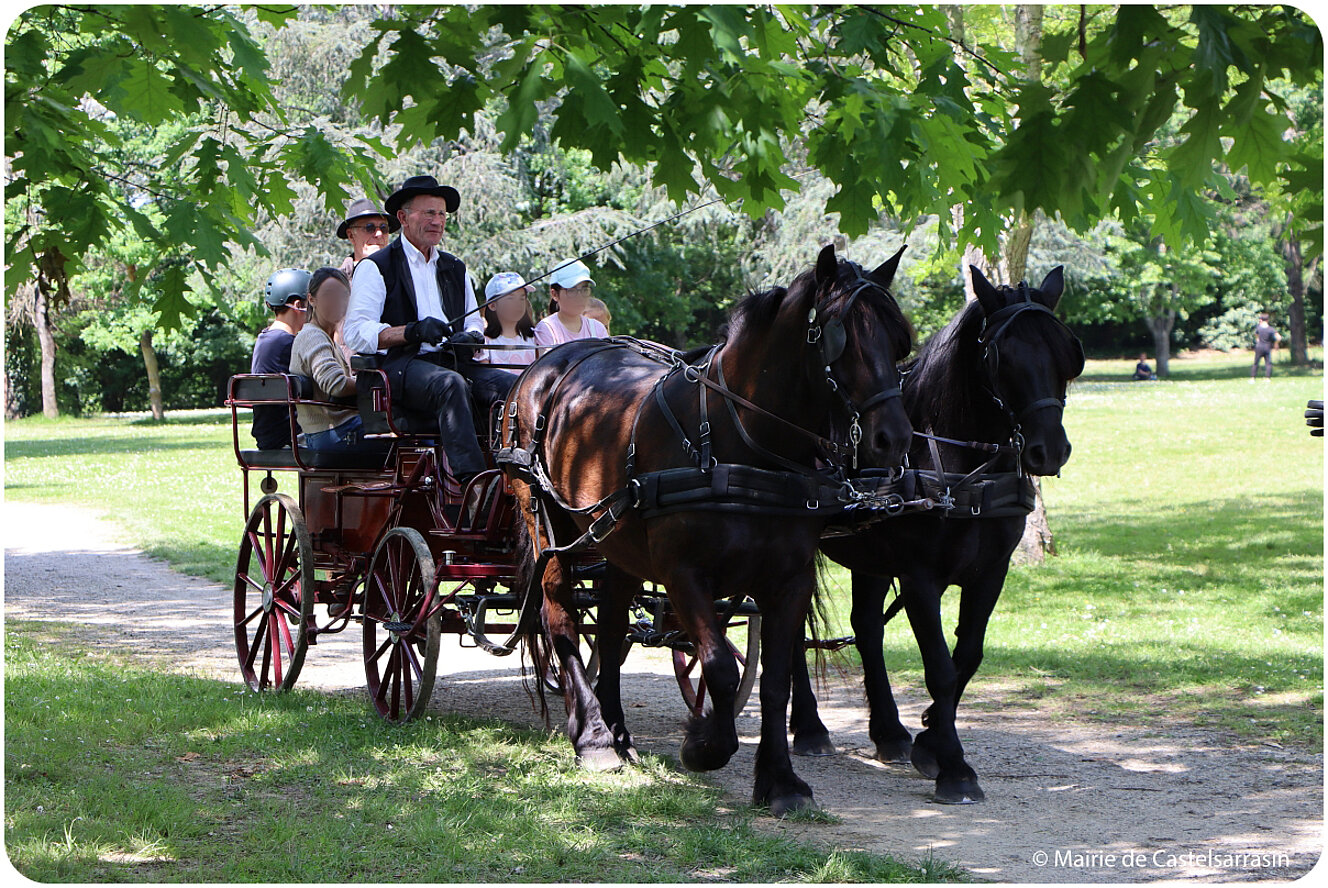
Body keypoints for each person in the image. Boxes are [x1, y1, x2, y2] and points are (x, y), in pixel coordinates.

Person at [343, 175, 516, 485]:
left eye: (441, 214)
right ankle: (474, 483)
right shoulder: (377, 266)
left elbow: (474, 321)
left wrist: (470, 337)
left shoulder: (455, 267)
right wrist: (411, 332)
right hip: (400, 367)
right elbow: (356, 332)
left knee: (514, 387)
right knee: (449, 385)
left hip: (452, 361)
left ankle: (516, 472)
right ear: (403, 217)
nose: (437, 221)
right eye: (428, 213)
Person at [289, 267, 371, 450]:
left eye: (343, 296)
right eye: (329, 295)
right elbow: (336, 384)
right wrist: (375, 383)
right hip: (332, 433)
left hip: (340, 429)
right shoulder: (312, 336)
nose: (337, 302)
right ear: (311, 299)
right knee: (406, 439)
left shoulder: (327, 338)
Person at [250, 268, 310, 449]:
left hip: (268, 436)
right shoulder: (288, 343)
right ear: (298, 305)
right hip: (292, 437)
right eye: (313, 303)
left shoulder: (266, 338)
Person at [533, 259, 609, 354]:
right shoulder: (547, 328)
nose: (579, 296)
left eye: (584, 290)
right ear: (555, 294)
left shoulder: (597, 329)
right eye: (572, 291)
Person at [480, 272, 538, 369]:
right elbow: (484, 376)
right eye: (510, 299)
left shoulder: (535, 338)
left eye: (522, 299)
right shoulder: (484, 343)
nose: (517, 304)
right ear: (492, 305)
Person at [336, 197, 395, 278]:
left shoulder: (404, 273)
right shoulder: (337, 281)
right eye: (369, 227)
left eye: (384, 227)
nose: (379, 234)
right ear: (351, 236)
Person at [1251, 312, 1281, 380]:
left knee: (1256, 363)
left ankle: (1252, 378)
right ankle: (1267, 378)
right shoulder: (1271, 329)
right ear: (1268, 320)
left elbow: (1256, 336)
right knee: (1268, 363)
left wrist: (1258, 341)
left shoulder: (1258, 328)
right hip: (1267, 347)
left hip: (1259, 347)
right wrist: (1276, 343)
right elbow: (1279, 337)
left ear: (1261, 319)